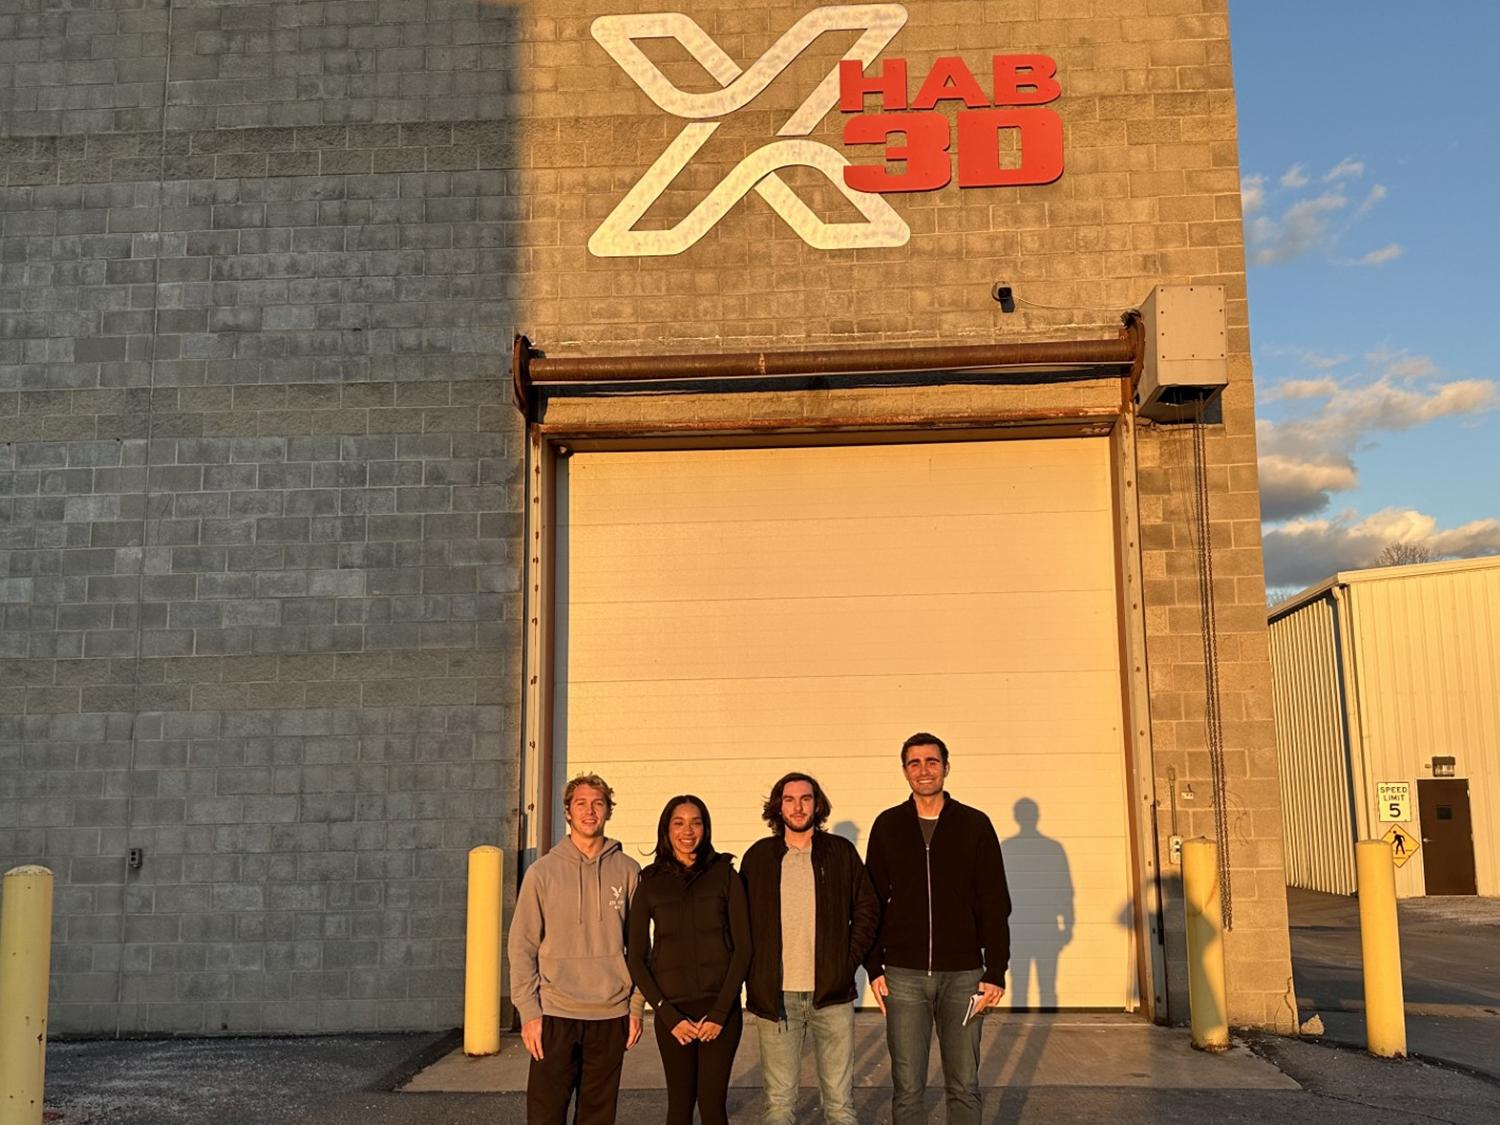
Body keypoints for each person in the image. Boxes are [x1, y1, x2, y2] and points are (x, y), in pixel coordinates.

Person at [864, 733, 1012, 1125]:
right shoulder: (888, 825)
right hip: (904, 976)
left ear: (946, 767)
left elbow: (995, 901)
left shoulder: (974, 825)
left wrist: (996, 969)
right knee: (907, 1087)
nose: (924, 770)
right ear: (904, 771)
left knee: (964, 1084)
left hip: (964, 976)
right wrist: (873, 967)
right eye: (914, 763)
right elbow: (871, 902)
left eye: (932, 761)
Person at [741, 773, 879, 1125]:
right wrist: (754, 973)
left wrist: (846, 963)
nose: (798, 807)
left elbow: (867, 908)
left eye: (806, 799)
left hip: (831, 994)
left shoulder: (840, 853)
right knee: (778, 1105)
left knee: (840, 1105)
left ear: (817, 805)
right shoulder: (758, 857)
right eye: (789, 799)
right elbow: (739, 922)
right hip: (777, 998)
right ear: (778, 806)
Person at [508, 773, 644, 1125]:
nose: (589, 811)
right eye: (581, 804)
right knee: (545, 1114)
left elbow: (641, 948)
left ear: (608, 811)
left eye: (598, 803)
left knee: (598, 1116)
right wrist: (529, 1012)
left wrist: (635, 1007)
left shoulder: (628, 871)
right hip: (555, 1013)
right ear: (567, 812)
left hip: (610, 1014)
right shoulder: (542, 873)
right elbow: (522, 946)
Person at [626, 795, 752, 1125]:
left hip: (719, 1012)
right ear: (666, 830)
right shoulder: (650, 882)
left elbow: (744, 948)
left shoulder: (725, 875)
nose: (688, 831)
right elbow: (636, 957)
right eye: (679, 823)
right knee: (680, 1108)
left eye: (696, 823)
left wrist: (720, 1013)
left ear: (705, 828)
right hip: (673, 1013)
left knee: (712, 1107)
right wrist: (668, 1016)